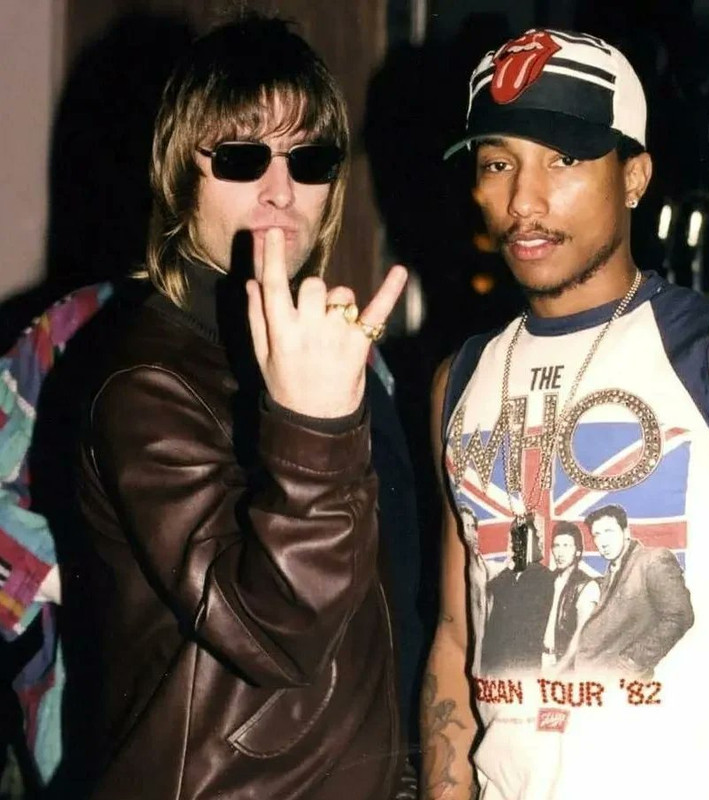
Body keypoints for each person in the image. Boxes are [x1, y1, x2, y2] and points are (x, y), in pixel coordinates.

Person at [421, 25, 709, 800]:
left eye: (564, 158)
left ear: (635, 176)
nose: (523, 200)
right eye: (499, 163)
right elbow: (459, 640)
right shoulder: (458, 381)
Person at [76, 16, 415, 800]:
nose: (280, 189)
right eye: (240, 156)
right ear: (178, 175)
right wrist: (317, 433)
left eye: (311, 158)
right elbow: (273, 632)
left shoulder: (317, 352)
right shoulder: (148, 380)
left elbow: (380, 629)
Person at [574, 504, 693, 675]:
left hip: (624, 682)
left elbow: (680, 616)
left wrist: (632, 661)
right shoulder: (611, 569)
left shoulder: (653, 560)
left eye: (609, 532)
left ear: (626, 533)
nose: (602, 541)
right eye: (597, 535)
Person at [480, 522, 553, 675]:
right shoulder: (505, 575)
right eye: (510, 541)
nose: (512, 546)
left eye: (517, 541)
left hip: (523, 663)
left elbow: (530, 619)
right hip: (496, 663)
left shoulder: (544, 576)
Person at [541, 520, 598, 668]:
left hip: (566, 666)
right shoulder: (547, 580)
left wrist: (559, 669)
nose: (560, 552)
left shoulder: (586, 586)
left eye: (566, 546)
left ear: (578, 551)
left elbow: (580, 637)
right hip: (538, 660)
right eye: (556, 546)